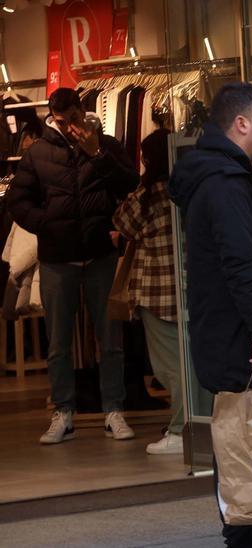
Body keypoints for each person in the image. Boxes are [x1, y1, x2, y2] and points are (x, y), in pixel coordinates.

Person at [167, 82, 252, 547]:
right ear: (241, 124)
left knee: (242, 428)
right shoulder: (224, 182)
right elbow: (241, 261)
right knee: (238, 429)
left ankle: (246, 528)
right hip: (235, 331)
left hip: (228, 326)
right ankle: (242, 533)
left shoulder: (225, 176)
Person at [6, 87, 139, 444]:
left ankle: (114, 410)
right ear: (53, 116)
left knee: (110, 340)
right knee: (58, 343)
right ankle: (63, 411)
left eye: (74, 120)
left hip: (99, 253)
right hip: (58, 257)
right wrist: (46, 223)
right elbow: (17, 200)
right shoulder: (39, 152)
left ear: (83, 112)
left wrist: (96, 153)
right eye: (63, 121)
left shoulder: (104, 144)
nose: (70, 128)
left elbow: (130, 184)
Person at [113, 114, 184, 455]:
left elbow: (122, 223)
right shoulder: (189, 189)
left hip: (157, 290)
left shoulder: (148, 193)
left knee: (167, 365)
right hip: (189, 288)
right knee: (190, 360)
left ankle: (182, 429)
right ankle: (194, 422)